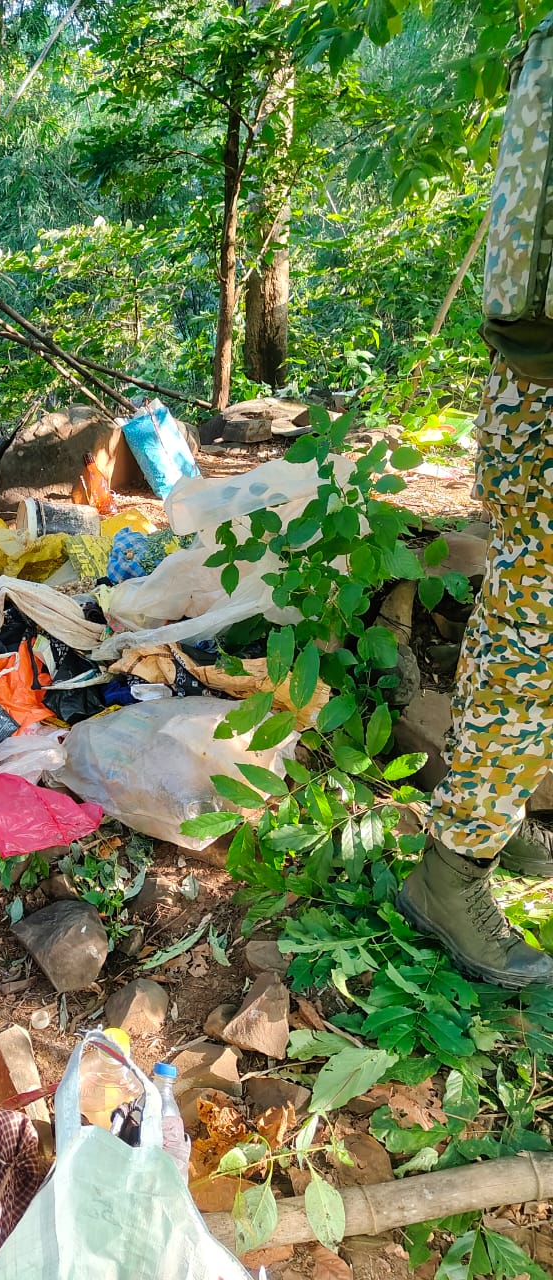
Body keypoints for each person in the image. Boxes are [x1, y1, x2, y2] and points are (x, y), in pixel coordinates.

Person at [396, 18, 553, 987]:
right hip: (546, 378)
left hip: (531, 372)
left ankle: (493, 820)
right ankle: (453, 869)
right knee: (530, 624)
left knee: (528, 615)